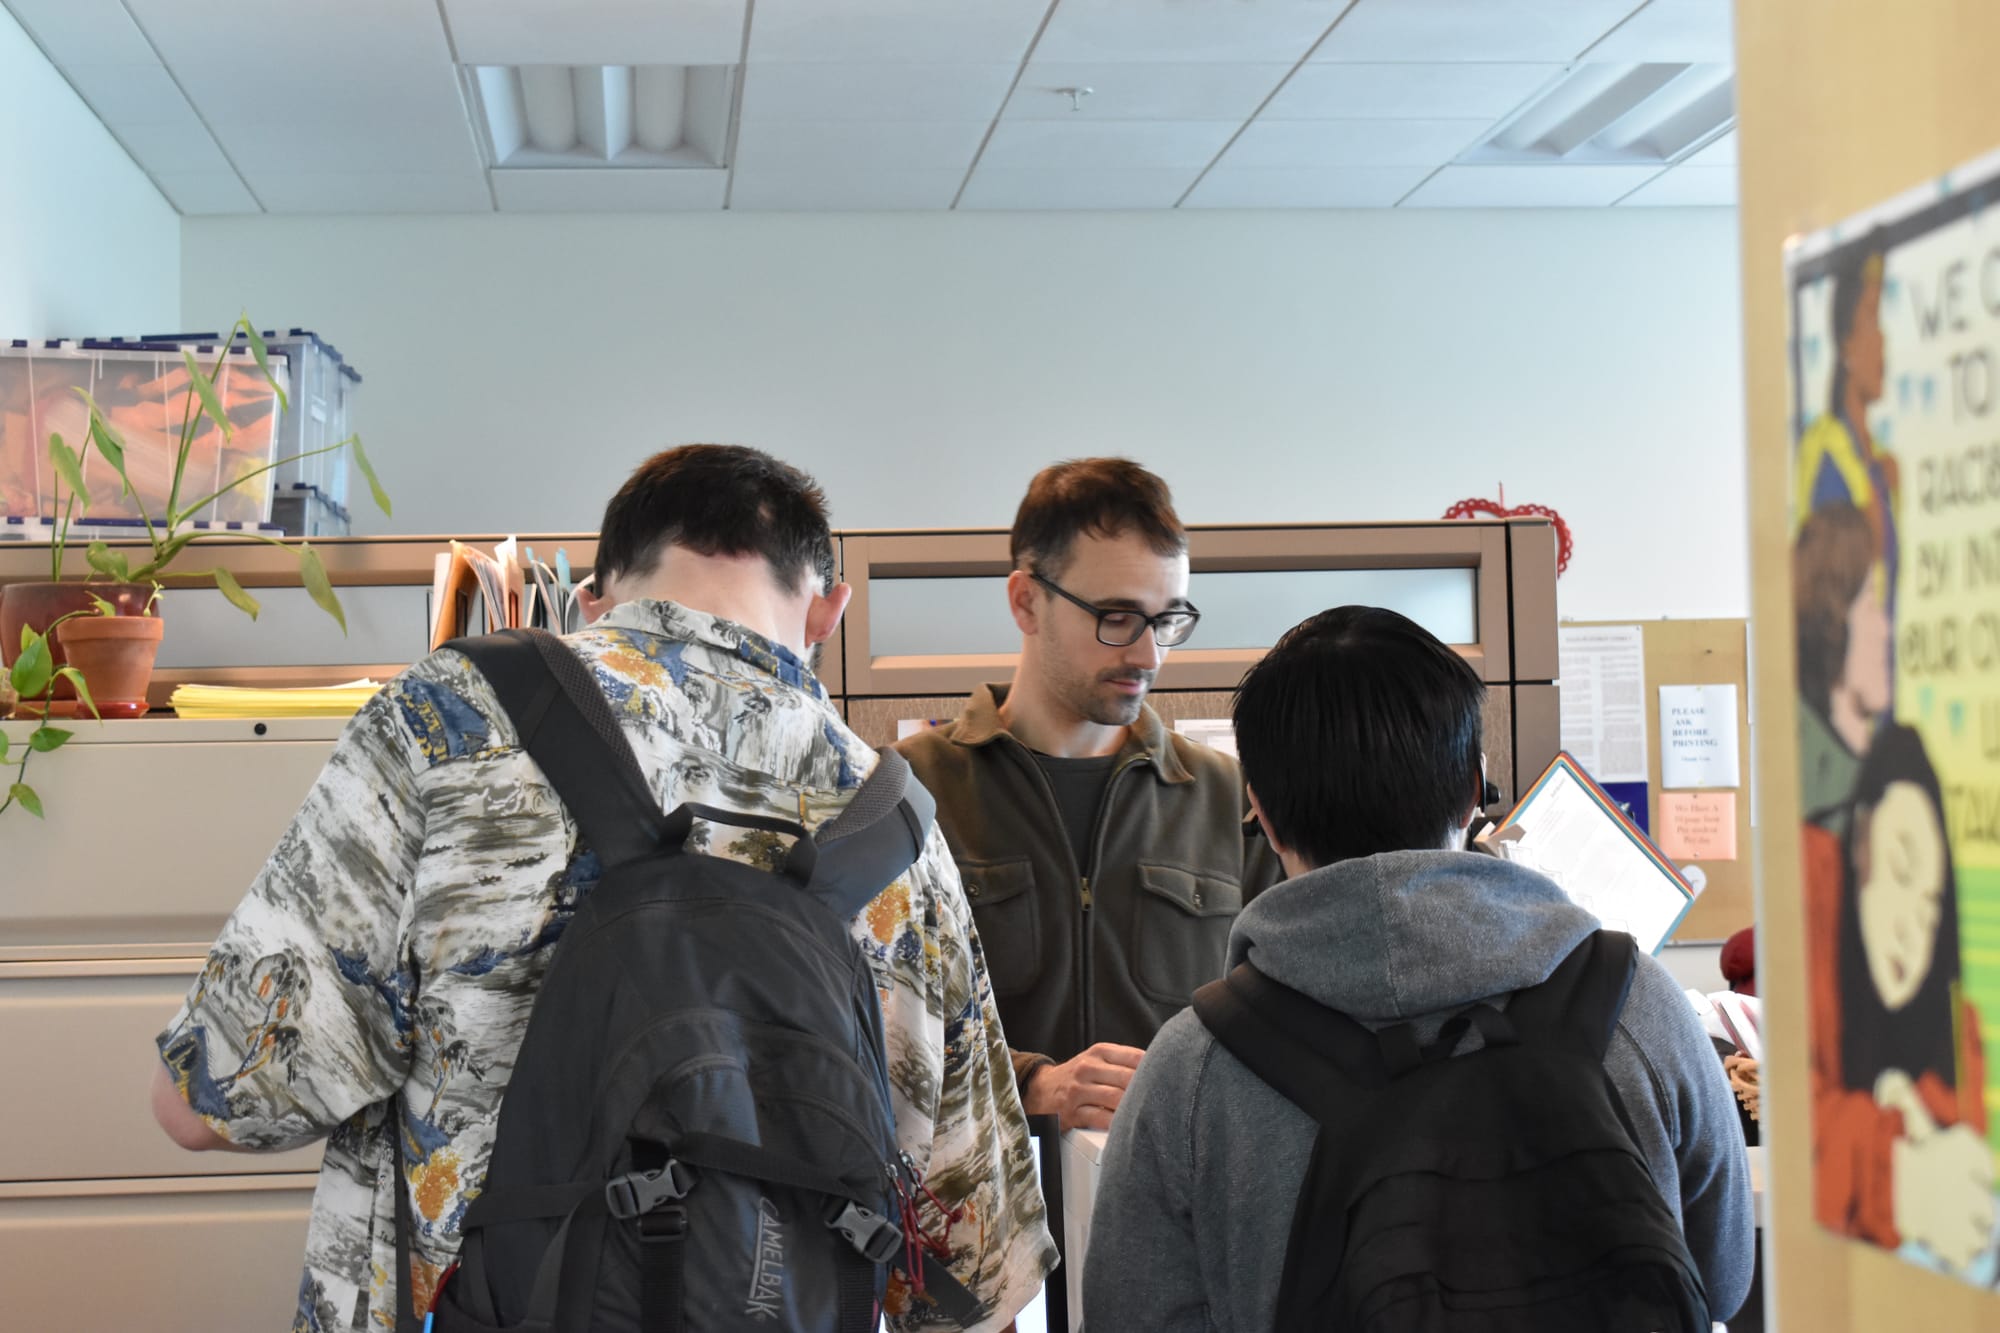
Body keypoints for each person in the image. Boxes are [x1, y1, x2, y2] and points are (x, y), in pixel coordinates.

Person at [149, 444, 1055, 1331]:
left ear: (594, 597)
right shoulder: (897, 829)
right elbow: (974, 1277)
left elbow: (211, 1101)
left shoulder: (451, 722)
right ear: (829, 611)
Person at [1084, 606, 1754, 1330]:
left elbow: (1136, 1313)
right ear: (1475, 788)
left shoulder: (1194, 1068)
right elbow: (1720, 1277)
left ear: (1262, 813)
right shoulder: (1634, 1001)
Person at [894, 458, 1281, 1133]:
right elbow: (870, 1023)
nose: (1150, 655)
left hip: (1178, 1225)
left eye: (1168, 620)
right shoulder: (909, 794)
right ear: (1025, 601)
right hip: (982, 1224)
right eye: (1118, 617)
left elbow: (1285, 1030)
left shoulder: (1233, 801)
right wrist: (1032, 1083)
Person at [1805, 722, 1990, 1271]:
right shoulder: (1816, 910)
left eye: (1931, 906)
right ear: (1859, 839)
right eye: (1901, 869)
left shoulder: (1953, 1016)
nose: (1912, 927)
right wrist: (1901, 1170)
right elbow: (1807, 1135)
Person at [1796, 239, 1901, 595]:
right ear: (1846, 345)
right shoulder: (1828, 460)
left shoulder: (1880, 464)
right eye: (1872, 317)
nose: (1883, 339)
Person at [1794, 501, 1892, 836]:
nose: (1885, 629)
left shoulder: (1881, 773)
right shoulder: (1821, 798)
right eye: (1870, 605)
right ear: (1833, 621)